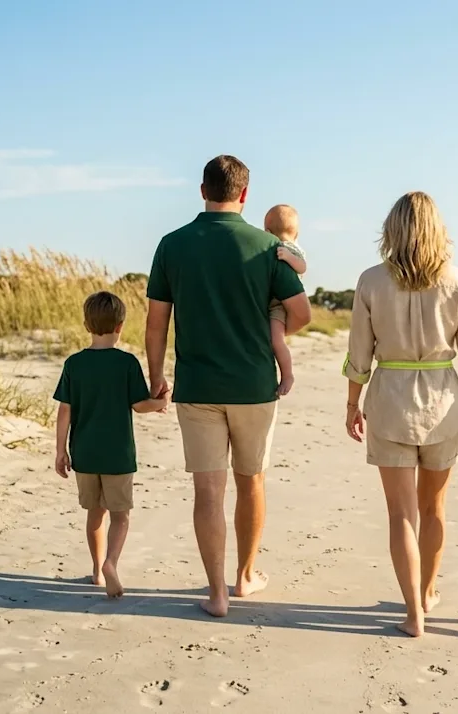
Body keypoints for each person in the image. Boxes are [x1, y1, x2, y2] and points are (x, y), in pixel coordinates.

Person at [145, 155, 312, 617]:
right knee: (251, 481)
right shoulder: (268, 247)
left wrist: (156, 376)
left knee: (208, 492)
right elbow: (301, 313)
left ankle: (216, 593)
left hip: (197, 386)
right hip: (254, 386)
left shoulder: (171, 244)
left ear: (202, 191)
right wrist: (272, 335)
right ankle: (245, 576)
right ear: (244, 194)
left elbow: (156, 324)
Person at [343, 191, 458, 637]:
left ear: (393, 228)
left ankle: (414, 613)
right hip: (442, 402)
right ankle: (428, 593)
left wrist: (352, 404)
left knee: (401, 515)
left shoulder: (371, 280)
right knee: (434, 509)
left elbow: (359, 353)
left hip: (389, 400)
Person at [54, 291, 169, 599]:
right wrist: (161, 402)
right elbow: (139, 405)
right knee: (120, 515)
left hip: (84, 454)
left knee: (95, 513)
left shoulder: (74, 364)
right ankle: (111, 562)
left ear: (86, 325)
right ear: (120, 326)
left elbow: (65, 410)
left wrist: (60, 451)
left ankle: (96, 570)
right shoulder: (126, 363)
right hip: (118, 455)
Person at [263, 204, 308, 396]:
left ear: (267, 232)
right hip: (271, 301)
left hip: (280, 305)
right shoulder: (277, 247)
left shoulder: (291, 248)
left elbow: (302, 267)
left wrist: (289, 257)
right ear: (296, 232)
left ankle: (288, 375)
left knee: (277, 340)